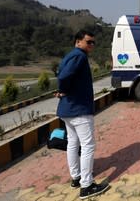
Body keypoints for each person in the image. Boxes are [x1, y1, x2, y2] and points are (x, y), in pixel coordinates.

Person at [55, 30, 109, 199]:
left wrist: (63, 90)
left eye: (93, 42)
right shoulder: (79, 56)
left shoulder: (70, 55)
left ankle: (76, 178)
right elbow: (63, 77)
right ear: (78, 41)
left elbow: (60, 74)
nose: (91, 45)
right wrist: (63, 89)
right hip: (79, 109)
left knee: (73, 143)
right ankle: (86, 186)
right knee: (87, 146)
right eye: (88, 42)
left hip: (68, 109)